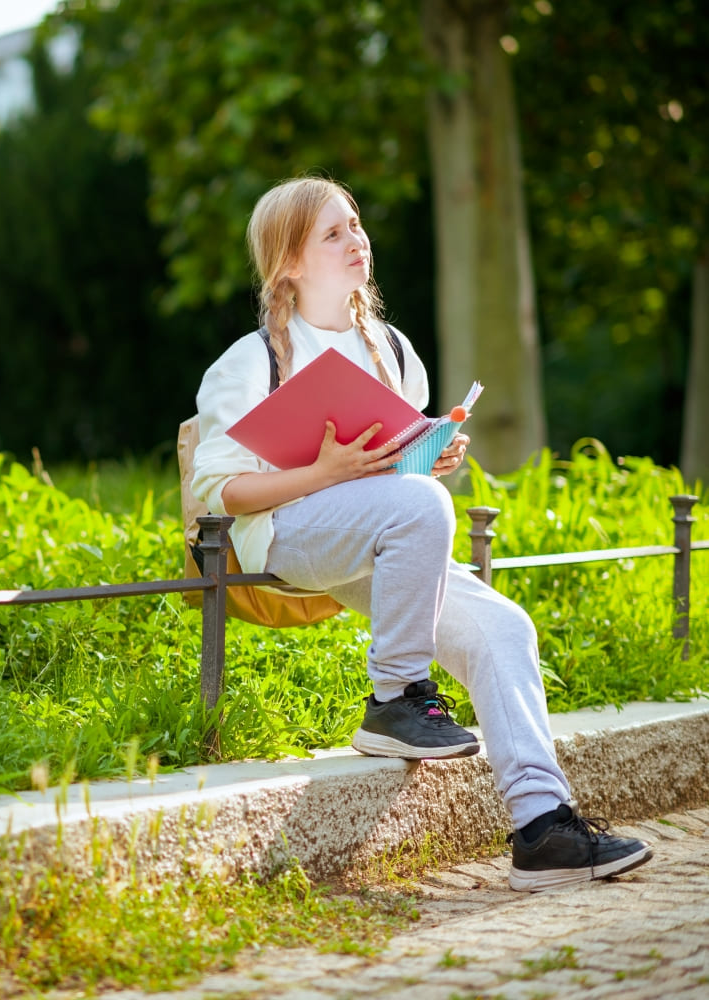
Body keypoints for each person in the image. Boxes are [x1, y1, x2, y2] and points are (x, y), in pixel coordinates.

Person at [189, 176, 651, 892]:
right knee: (419, 508)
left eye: (357, 225)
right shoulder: (253, 360)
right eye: (333, 233)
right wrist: (325, 470)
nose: (357, 240)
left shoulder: (395, 351)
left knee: (506, 630)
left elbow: (402, 493)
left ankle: (542, 827)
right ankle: (396, 697)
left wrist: (431, 459)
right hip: (281, 534)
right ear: (289, 263)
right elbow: (216, 495)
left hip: (376, 537)